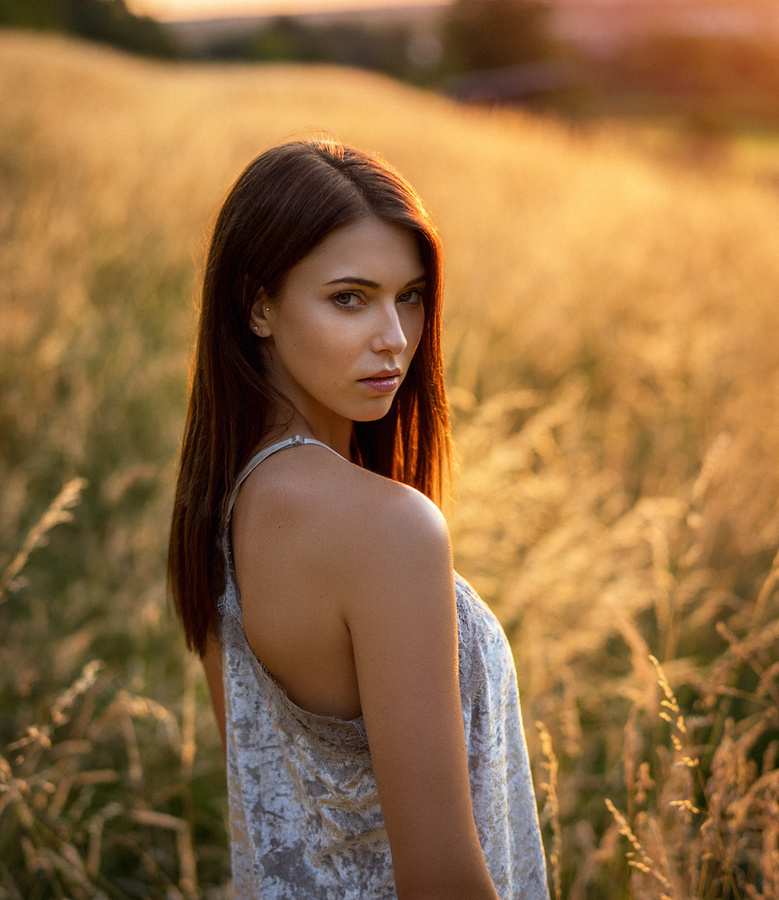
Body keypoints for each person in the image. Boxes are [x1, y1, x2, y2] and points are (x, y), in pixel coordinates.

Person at [167, 138, 548, 898]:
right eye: (350, 298)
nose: (395, 339)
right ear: (258, 304)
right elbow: (441, 879)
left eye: (409, 295)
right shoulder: (387, 529)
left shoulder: (215, 511)